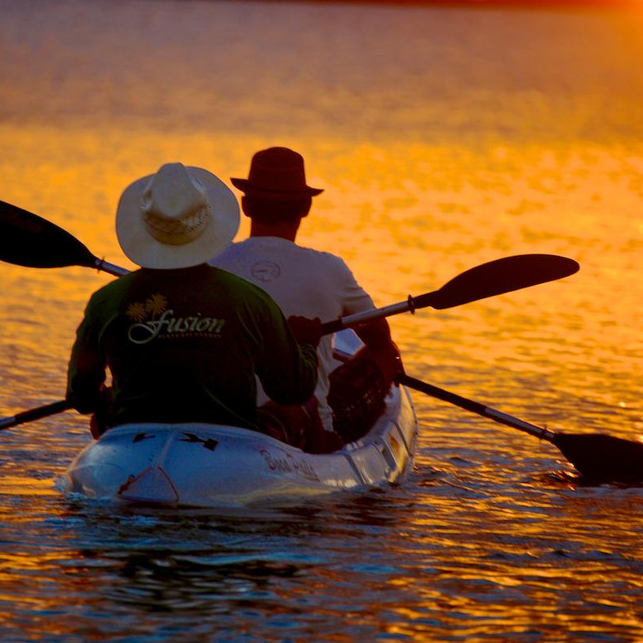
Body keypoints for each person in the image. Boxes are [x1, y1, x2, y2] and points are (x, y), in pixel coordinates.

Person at [66, 162, 319, 433]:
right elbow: (292, 390)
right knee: (303, 410)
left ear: (145, 224)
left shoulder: (106, 302)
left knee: (100, 421)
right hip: (231, 444)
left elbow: (81, 397)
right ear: (207, 225)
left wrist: (107, 395)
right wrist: (305, 343)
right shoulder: (251, 300)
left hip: (133, 439)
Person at [212, 147, 403, 448]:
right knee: (385, 352)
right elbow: (378, 338)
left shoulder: (210, 263)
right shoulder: (331, 268)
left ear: (246, 206)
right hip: (307, 431)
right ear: (305, 208)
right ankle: (348, 441)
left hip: (221, 421)